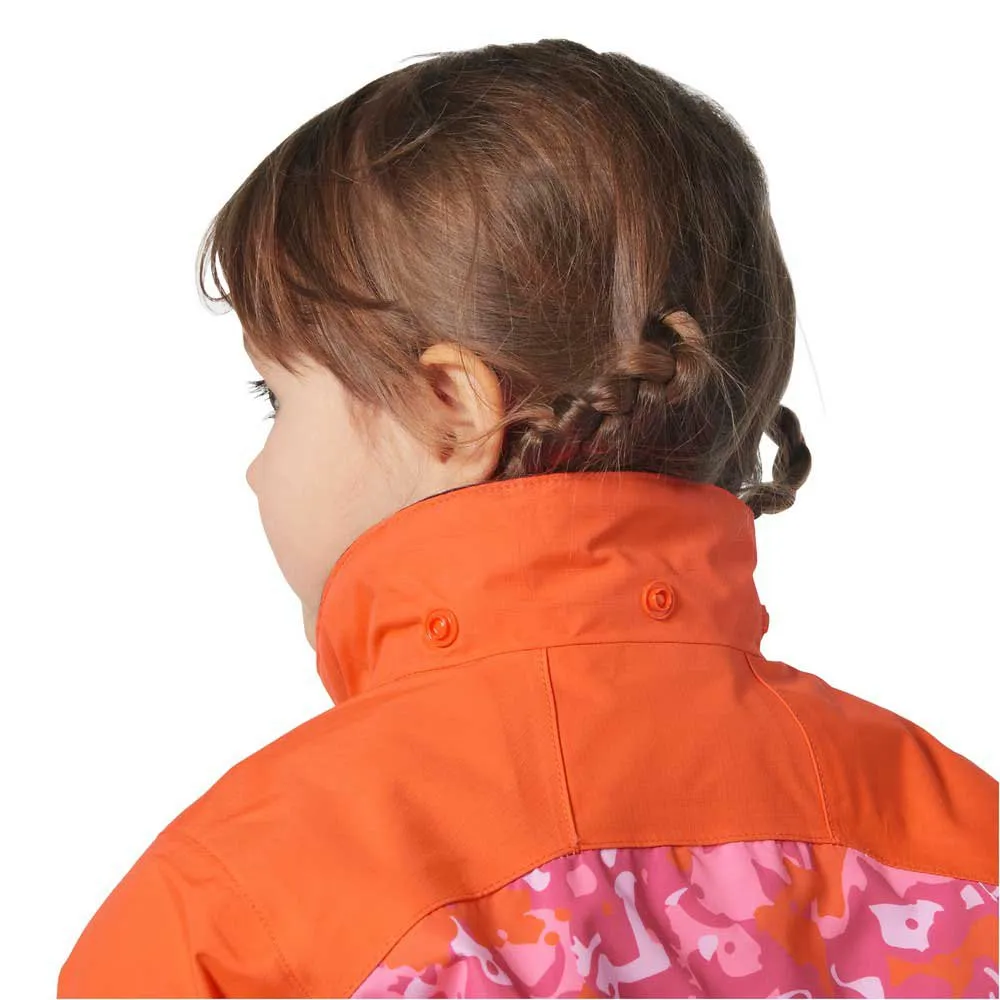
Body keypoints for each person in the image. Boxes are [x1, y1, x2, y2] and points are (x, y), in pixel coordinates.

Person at [57, 38, 998, 999]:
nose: (258, 470)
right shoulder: (963, 841)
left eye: (275, 397)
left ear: (452, 407)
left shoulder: (231, 912)